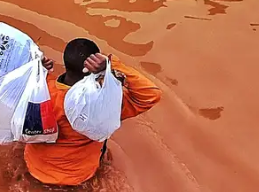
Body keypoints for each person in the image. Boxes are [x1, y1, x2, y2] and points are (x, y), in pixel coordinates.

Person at [24, 38, 162, 187]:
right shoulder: (104, 104)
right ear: (95, 68)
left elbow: (4, 89)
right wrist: (112, 65)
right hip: (80, 177)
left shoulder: (38, 91)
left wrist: (35, 71)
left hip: (35, 169)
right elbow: (151, 94)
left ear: (65, 64)